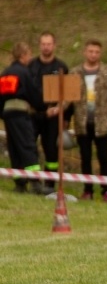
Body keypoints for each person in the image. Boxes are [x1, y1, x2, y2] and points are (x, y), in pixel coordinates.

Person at [0, 42, 55, 195]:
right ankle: (35, 183)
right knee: (27, 146)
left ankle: (19, 183)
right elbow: (34, 94)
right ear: (23, 55)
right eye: (29, 54)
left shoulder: (5, 73)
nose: (31, 58)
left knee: (14, 148)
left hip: (8, 115)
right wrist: (44, 108)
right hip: (20, 113)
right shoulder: (24, 72)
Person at [70, 39, 107, 202]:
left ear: (100, 53)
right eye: (90, 51)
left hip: (102, 123)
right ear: (85, 52)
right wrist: (61, 114)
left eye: (97, 52)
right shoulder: (75, 72)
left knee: (104, 159)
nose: (93, 54)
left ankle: (106, 191)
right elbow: (68, 98)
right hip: (82, 123)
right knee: (85, 159)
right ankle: (88, 190)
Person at [28, 31, 70, 189]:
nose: (46, 47)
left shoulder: (61, 67)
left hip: (53, 115)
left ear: (54, 45)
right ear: (39, 45)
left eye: (49, 44)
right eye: (43, 44)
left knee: (51, 150)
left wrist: (60, 109)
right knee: (30, 147)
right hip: (33, 115)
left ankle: (50, 184)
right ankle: (33, 181)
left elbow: (69, 94)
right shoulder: (31, 65)